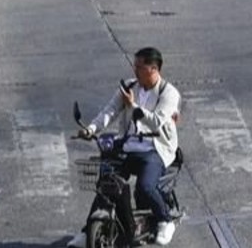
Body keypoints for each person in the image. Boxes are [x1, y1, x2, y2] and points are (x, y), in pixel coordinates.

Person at [67, 47, 181, 248]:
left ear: (153, 69)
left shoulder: (169, 93)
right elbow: (109, 111)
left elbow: (156, 122)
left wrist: (134, 106)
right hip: (128, 145)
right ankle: (88, 232)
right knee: (106, 185)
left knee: (145, 187)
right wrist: (91, 129)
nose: (134, 69)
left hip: (154, 149)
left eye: (139, 66)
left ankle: (165, 220)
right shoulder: (129, 86)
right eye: (134, 65)